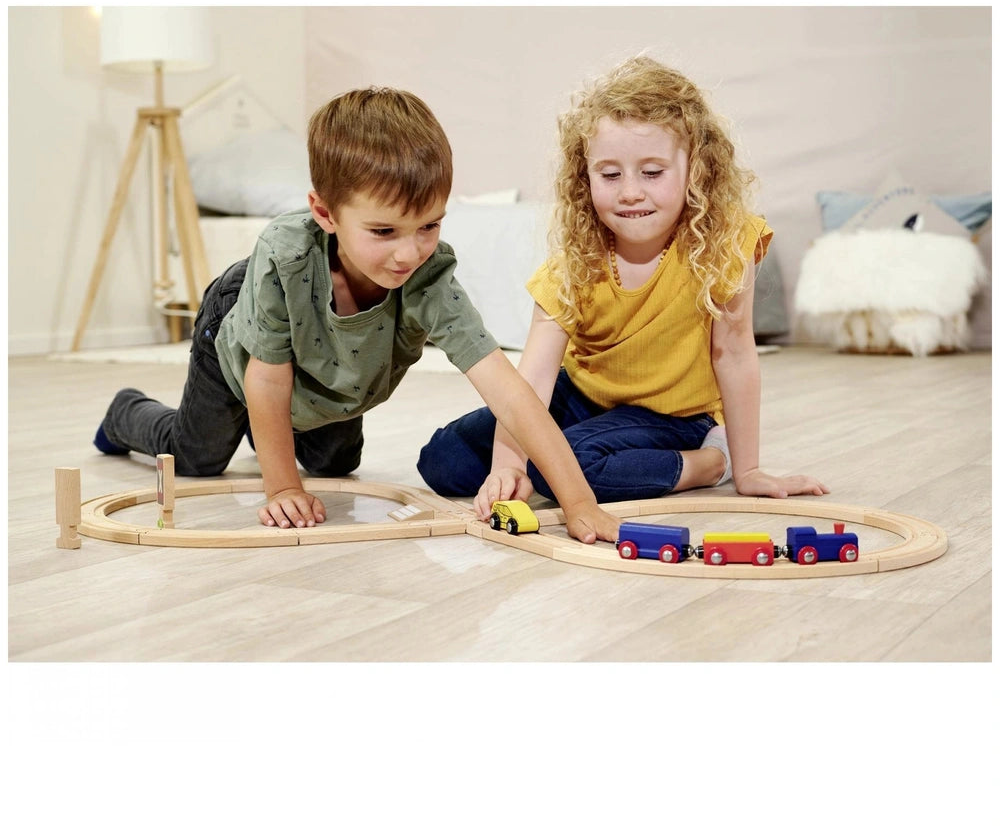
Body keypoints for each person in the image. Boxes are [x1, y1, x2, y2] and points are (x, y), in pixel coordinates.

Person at [94, 87, 618, 543]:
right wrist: (280, 488)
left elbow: (510, 391)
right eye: (384, 231)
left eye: (429, 226)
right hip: (239, 345)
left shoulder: (428, 278)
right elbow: (267, 382)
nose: (409, 253)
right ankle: (126, 412)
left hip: (327, 378)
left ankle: (272, 433)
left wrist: (578, 501)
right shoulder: (286, 256)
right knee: (198, 458)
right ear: (324, 213)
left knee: (335, 465)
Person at [417, 56, 829, 522]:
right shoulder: (573, 261)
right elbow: (531, 381)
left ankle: (707, 463)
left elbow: (733, 354)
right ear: (585, 176)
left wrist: (749, 470)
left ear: (695, 170)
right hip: (583, 397)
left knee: (563, 468)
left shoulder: (726, 243)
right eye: (610, 175)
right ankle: (567, 457)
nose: (630, 192)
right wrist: (506, 468)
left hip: (674, 416)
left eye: (652, 172)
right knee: (443, 460)